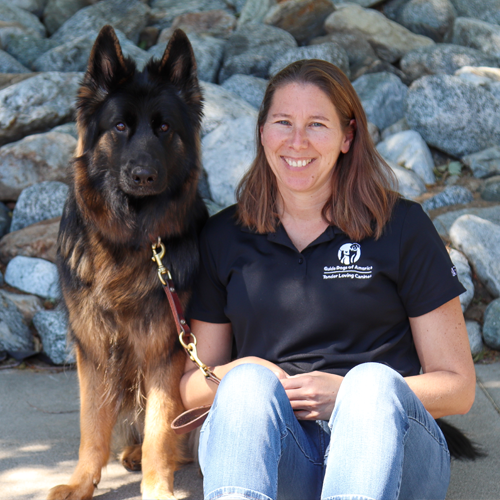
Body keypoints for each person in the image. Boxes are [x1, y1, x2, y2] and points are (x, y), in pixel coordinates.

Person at [180, 59, 476, 500]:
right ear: (262, 132)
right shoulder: (225, 236)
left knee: (371, 383)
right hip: (287, 454)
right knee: (241, 386)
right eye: (283, 122)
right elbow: (190, 387)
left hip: (393, 452)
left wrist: (347, 395)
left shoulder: (402, 227)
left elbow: (459, 387)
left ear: (347, 136)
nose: (297, 141)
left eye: (317, 124)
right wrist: (242, 371)